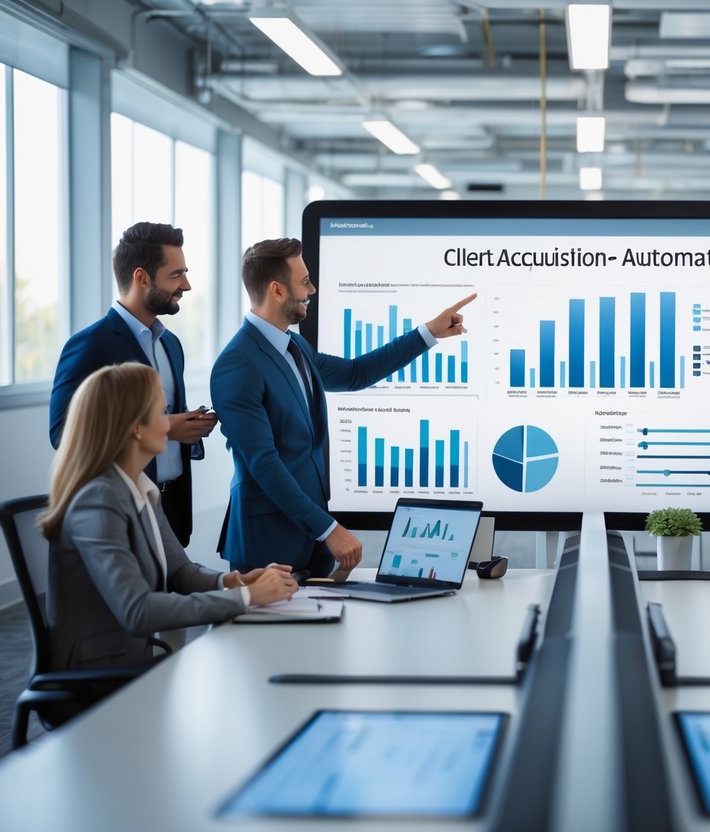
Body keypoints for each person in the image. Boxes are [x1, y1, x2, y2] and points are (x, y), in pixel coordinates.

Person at [211, 238, 475, 580]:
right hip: (268, 546)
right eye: (304, 281)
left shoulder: (293, 345)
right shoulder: (237, 364)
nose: (313, 289)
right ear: (276, 290)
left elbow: (354, 374)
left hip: (312, 542)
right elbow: (263, 463)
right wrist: (329, 529)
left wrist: (428, 333)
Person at [38, 364, 298, 671]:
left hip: (133, 656)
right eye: (162, 413)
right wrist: (245, 597)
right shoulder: (98, 500)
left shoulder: (137, 486)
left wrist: (233, 581)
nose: (169, 425)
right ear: (136, 427)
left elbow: (180, 572)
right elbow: (138, 610)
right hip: (98, 676)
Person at [49, 222, 218, 547]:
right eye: (176, 274)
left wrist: (190, 427)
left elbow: (162, 421)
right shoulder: (89, 345)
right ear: (142, 278)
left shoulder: (171, 345)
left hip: (171, 507)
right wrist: (167, 427)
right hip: (120, 511)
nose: (187, 284)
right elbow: (62, 433)